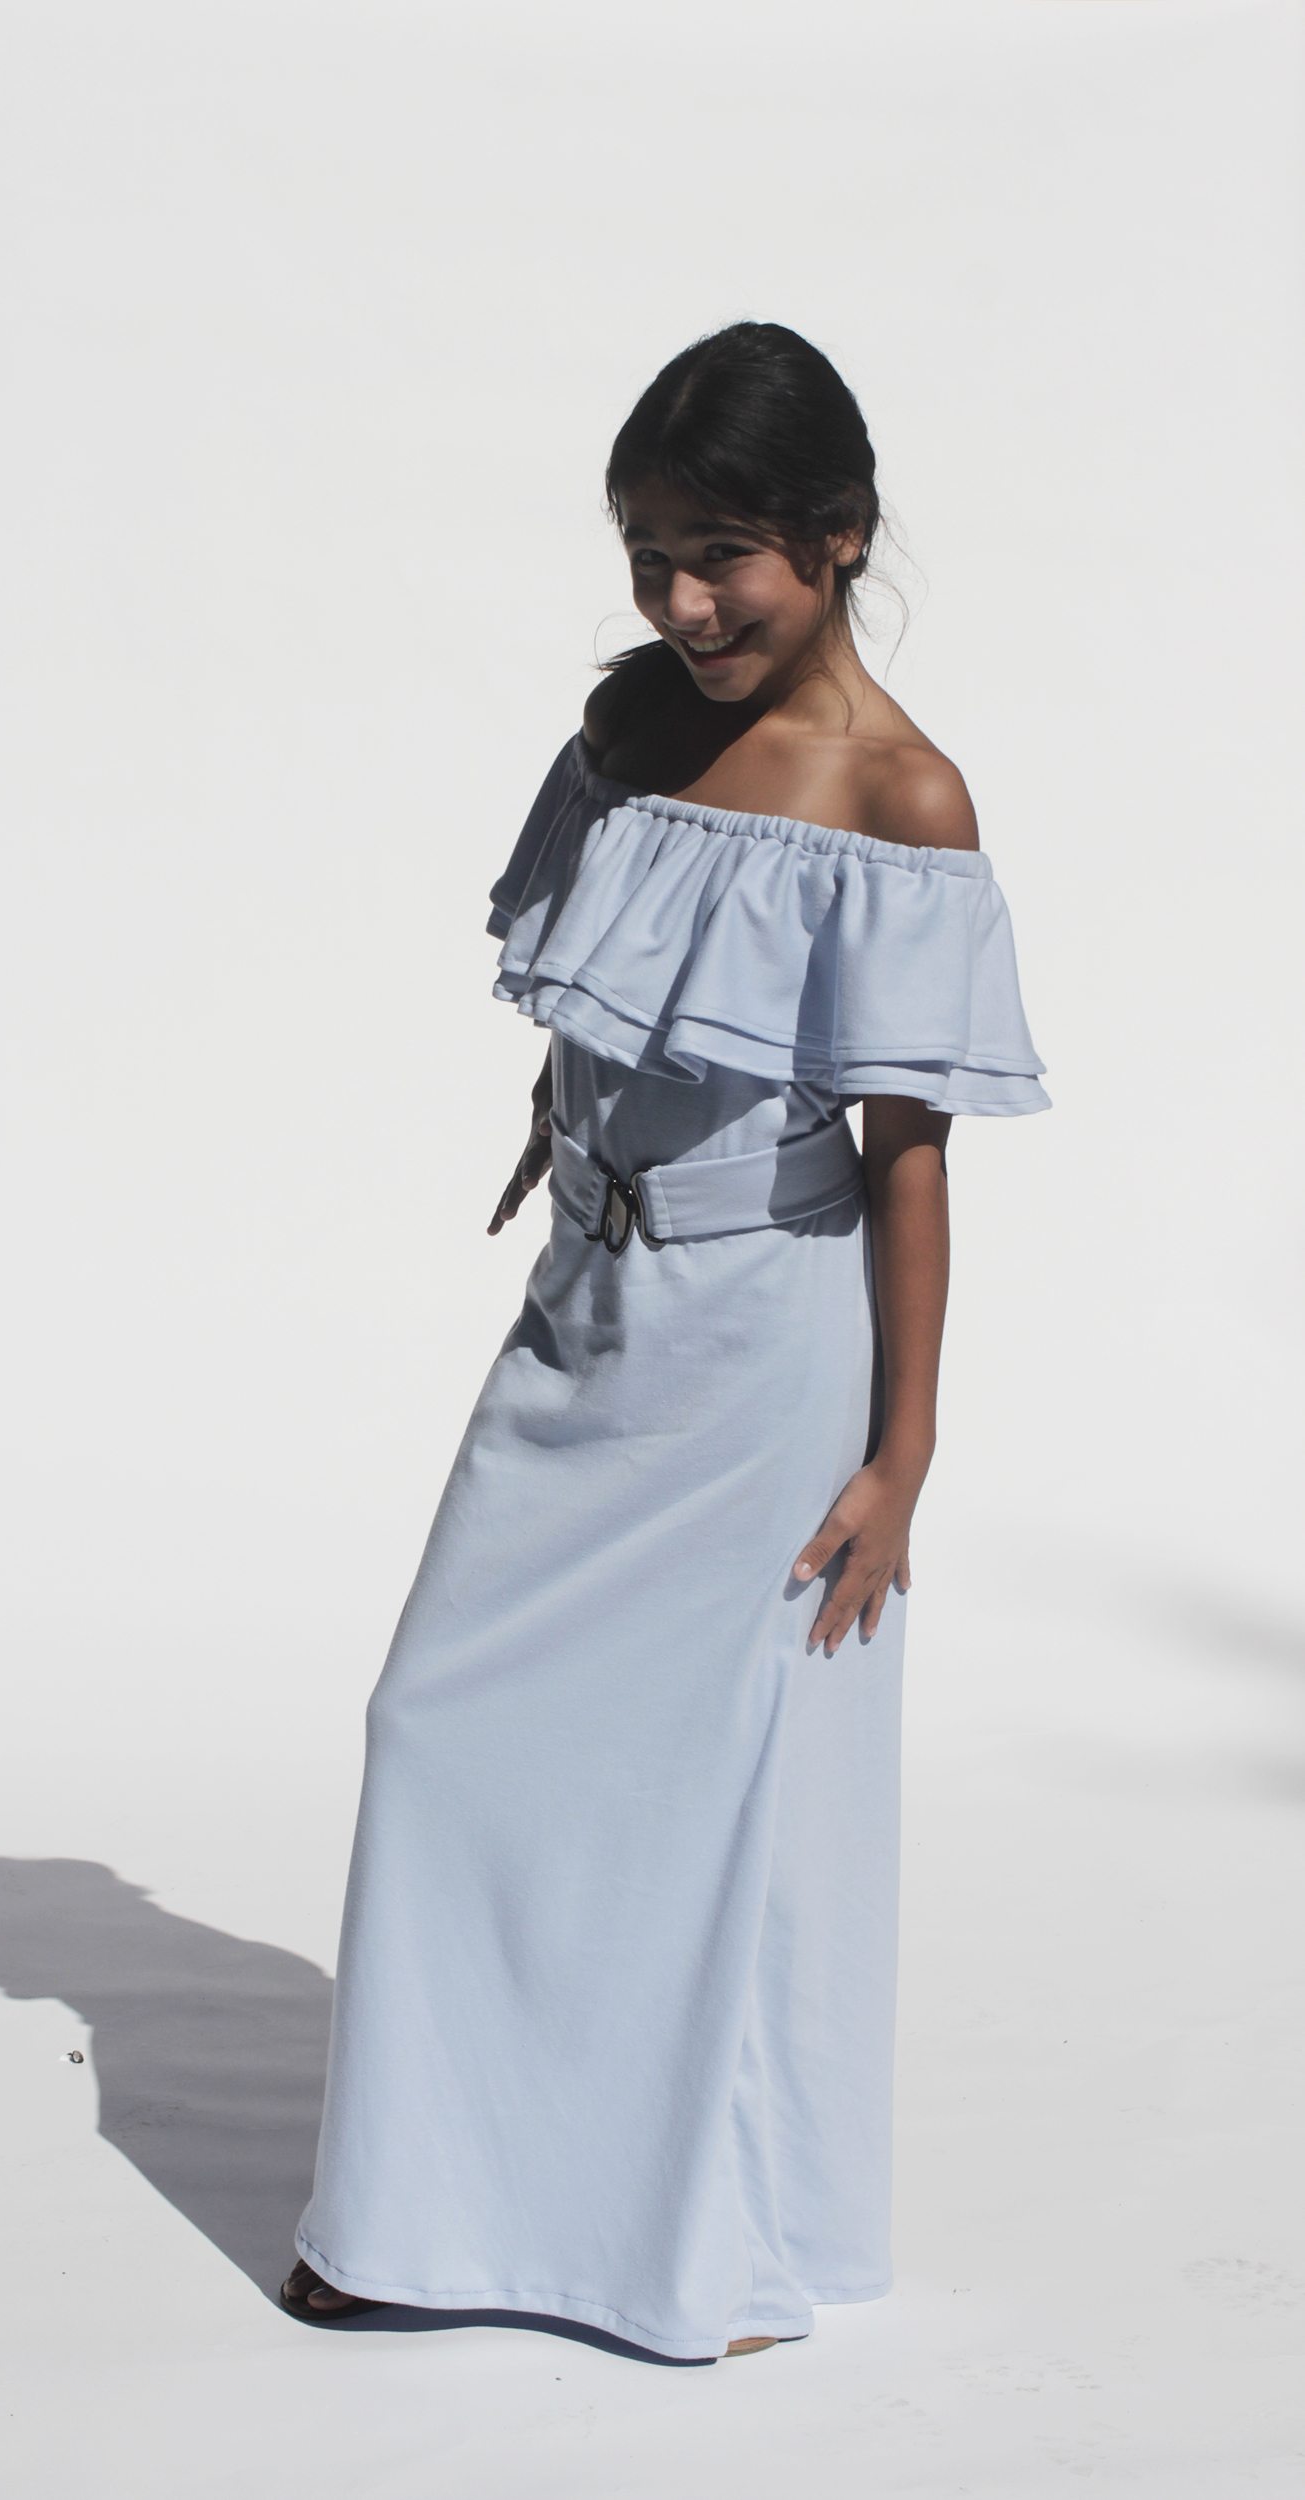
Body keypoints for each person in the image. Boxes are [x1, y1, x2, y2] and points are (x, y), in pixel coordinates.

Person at [281, 321, 1048, 2362]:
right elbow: (611, 991)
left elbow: (907, 1154)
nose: (684, 603)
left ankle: (668, 2233)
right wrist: (565, 1144)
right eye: (647, 555)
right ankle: (436, 2200)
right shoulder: (630, 731)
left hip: (756, 1355)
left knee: (705, 1791)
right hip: (586, 1322)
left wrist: (904, 1457)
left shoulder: (905, 795)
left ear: (838, 536)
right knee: (443, 1725)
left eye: (723, 554)